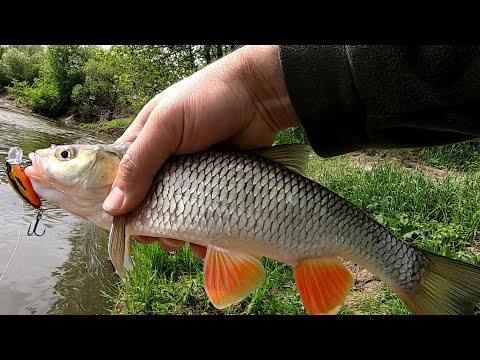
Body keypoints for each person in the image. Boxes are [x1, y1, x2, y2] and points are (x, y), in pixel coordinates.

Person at [102, 45, 480, 259]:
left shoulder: (126, 181)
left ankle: (412, 271)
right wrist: (258, 91)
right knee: (218, 250)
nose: (48, 160)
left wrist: (257, 86)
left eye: (68, 154)